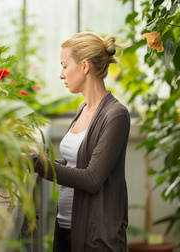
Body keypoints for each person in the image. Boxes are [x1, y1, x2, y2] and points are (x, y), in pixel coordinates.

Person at [30, 31, 130, 251]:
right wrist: (39, 158)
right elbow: (75, 166)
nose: (61, 74)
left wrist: (38, 163)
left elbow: (92, 178)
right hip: (66, 227)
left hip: (95, 237)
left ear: (84, 66)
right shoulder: (83, 108)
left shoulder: (115, 115)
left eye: (64, 66)